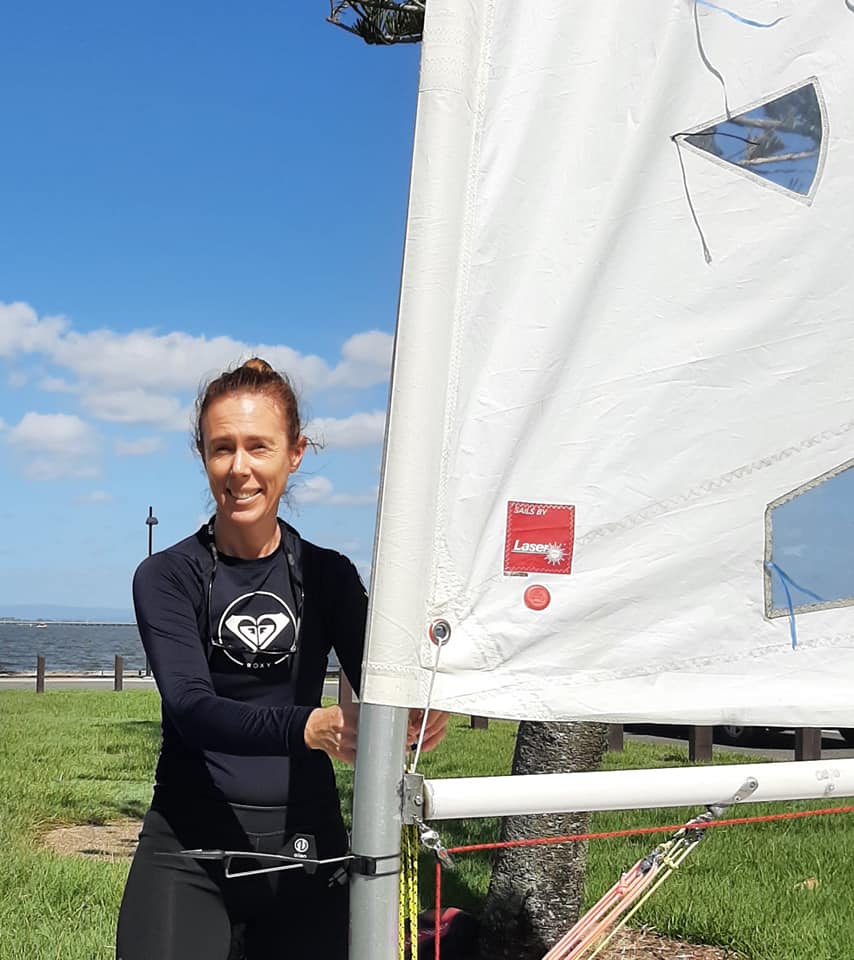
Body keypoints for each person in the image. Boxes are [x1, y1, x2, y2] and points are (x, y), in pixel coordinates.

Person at [116, 358, 448, 960]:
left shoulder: (328, 576)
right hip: (189, 845)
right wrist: (309, 726)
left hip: (306, 843)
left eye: (258, 447)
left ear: (293, 454)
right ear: (203, 456)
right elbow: (192, 708)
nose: (239, 468)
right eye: (222, 449)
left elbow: (386, 678)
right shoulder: (166, 576)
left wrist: (428, 709)